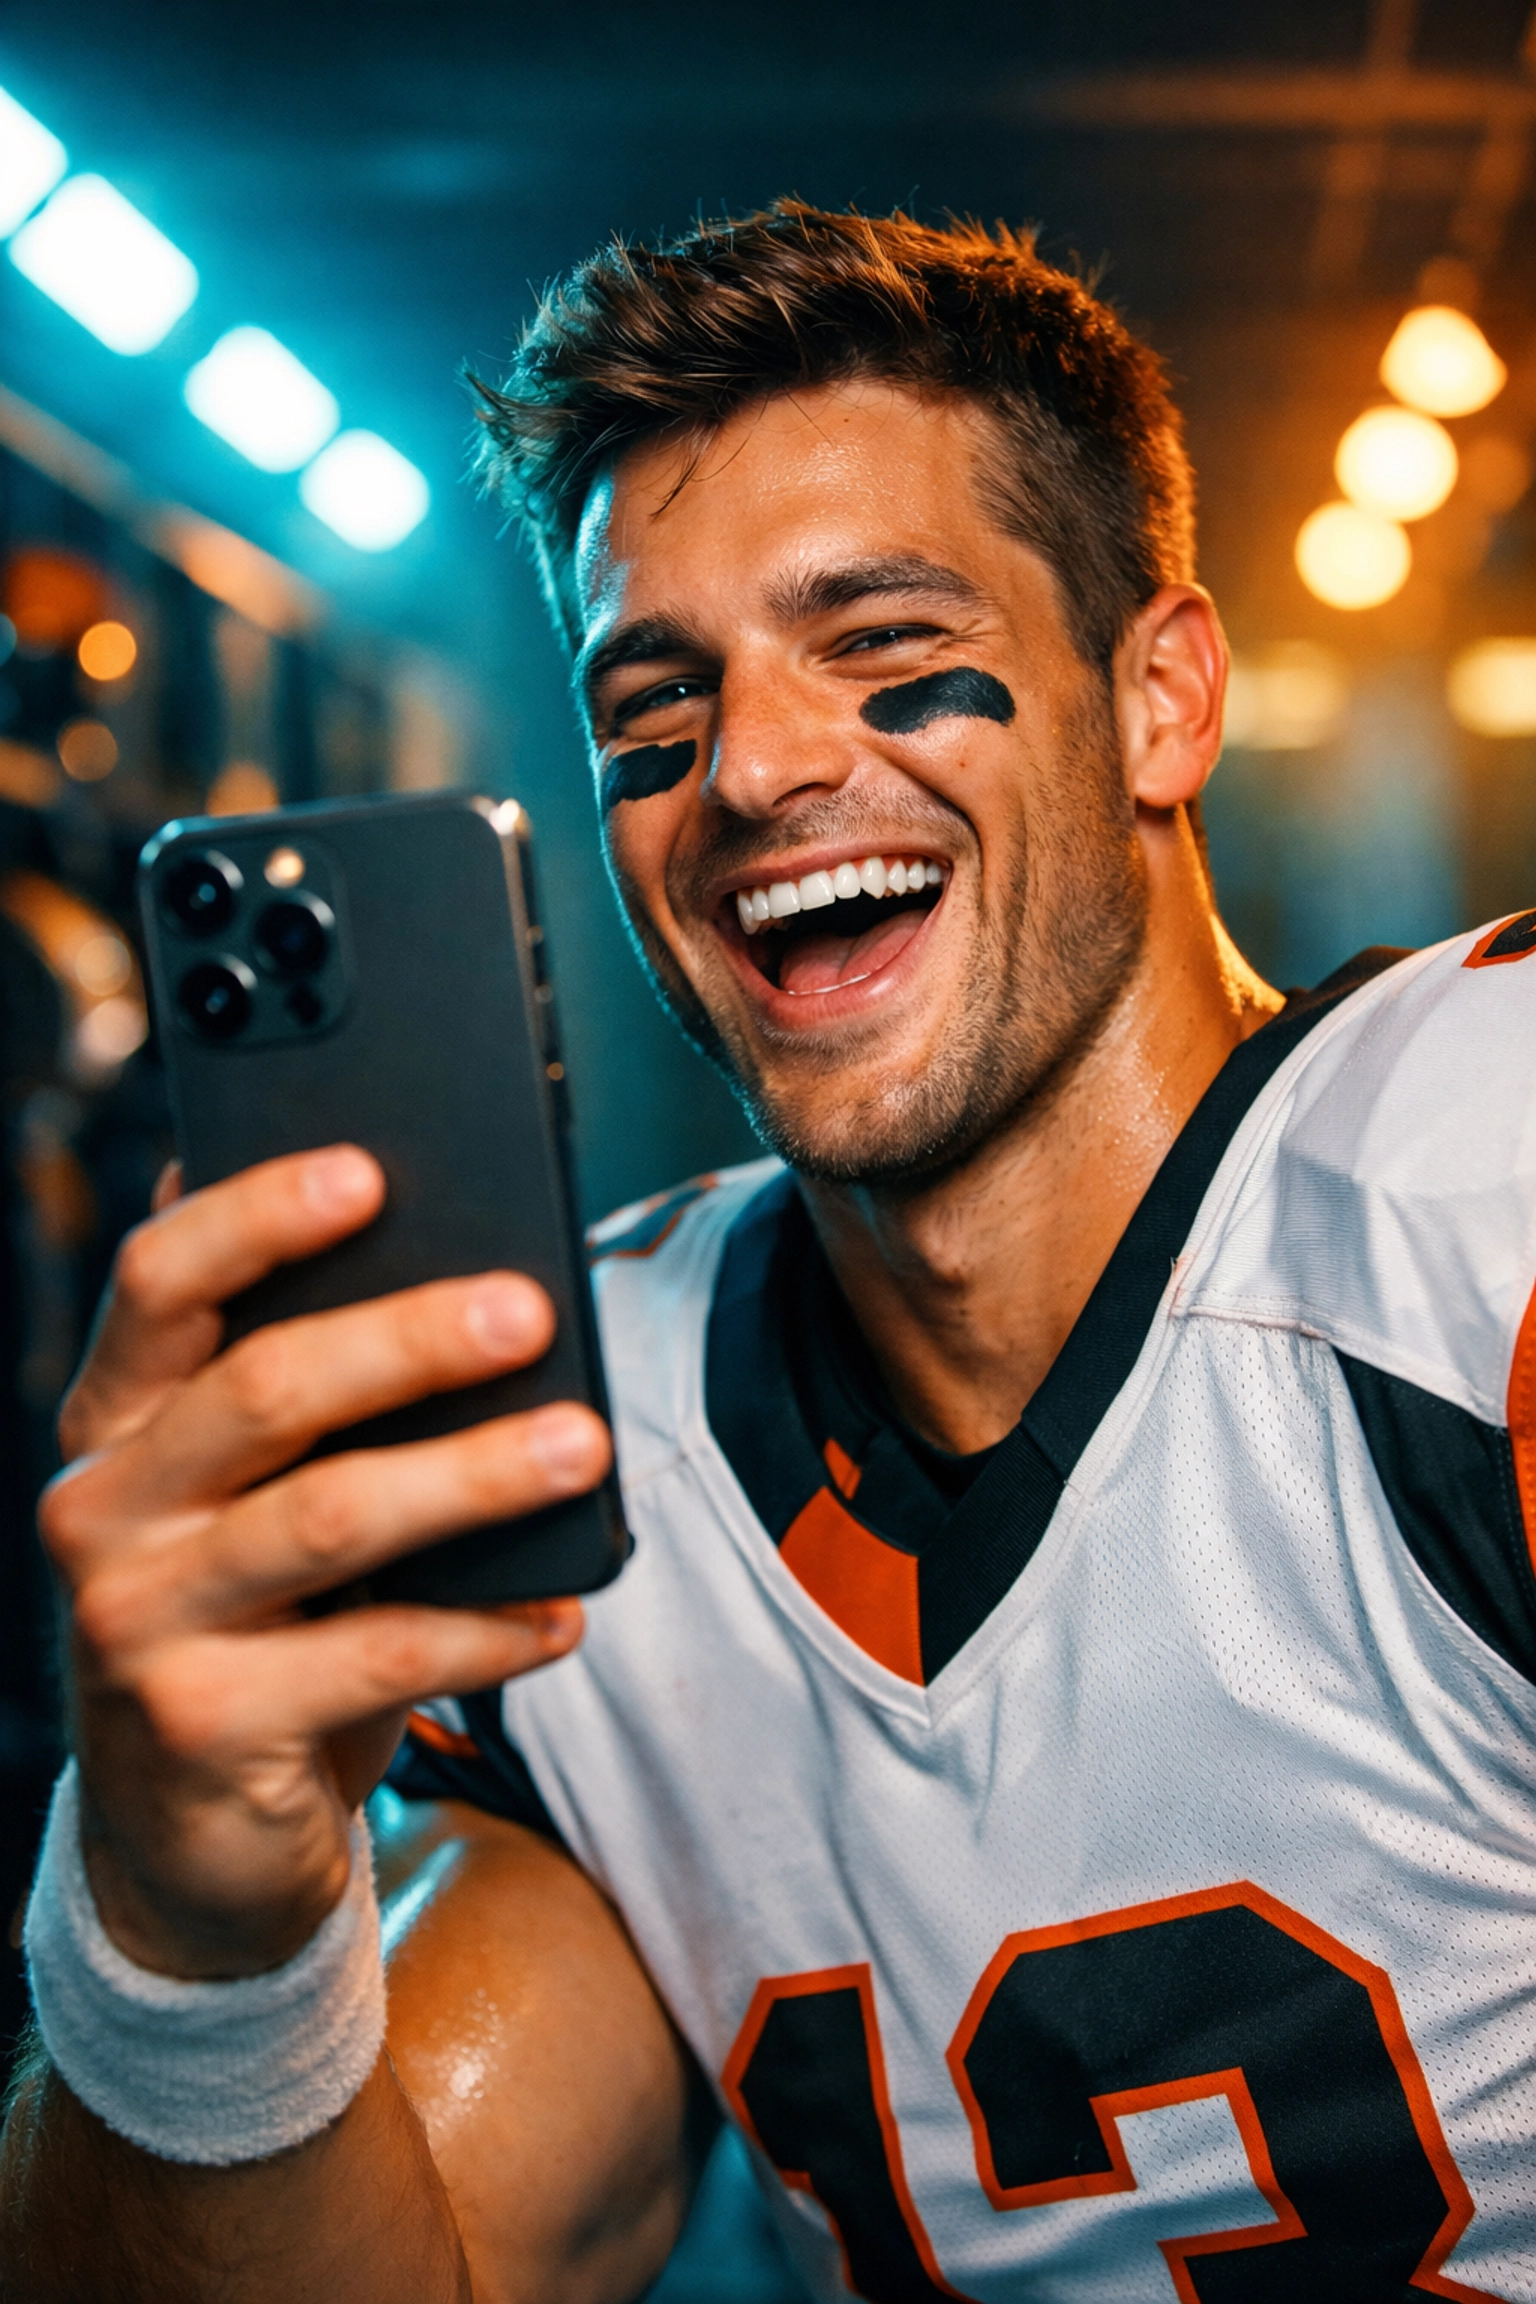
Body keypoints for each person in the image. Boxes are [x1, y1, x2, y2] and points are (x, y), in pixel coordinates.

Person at [3, 202, 1535, 2301]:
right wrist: (190, 1939)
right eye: (654, 712)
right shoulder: (576, 1436)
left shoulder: (1478, 1188)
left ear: (1165, 701)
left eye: (891, 656)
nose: (756, 768)